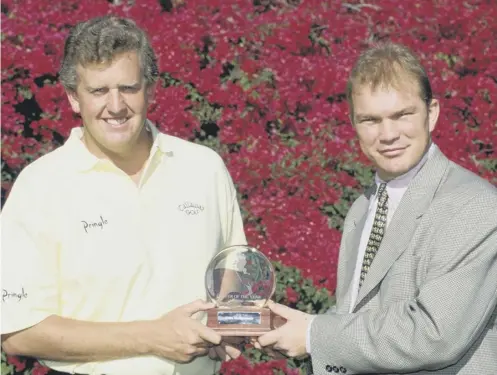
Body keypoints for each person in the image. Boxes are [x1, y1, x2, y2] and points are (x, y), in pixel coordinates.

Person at [1, 15, 247, 375]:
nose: (115, 106)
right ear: (73, 97)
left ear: (149, 88)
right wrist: (152, 337)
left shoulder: (204, 168)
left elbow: (233, 267)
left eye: (128, 88)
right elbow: (17, 331)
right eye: (99, 91)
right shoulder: (40, 187)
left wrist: (230, 317)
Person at [256, 42, 497, 374]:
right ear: (354, 124)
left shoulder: (475, 207)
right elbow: (358, 315)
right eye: (370, 120)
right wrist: (288, 328)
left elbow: (433, 335)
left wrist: (313, 334)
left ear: (432, 113)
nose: (388, 134)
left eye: (402, 115)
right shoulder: (362, 207)